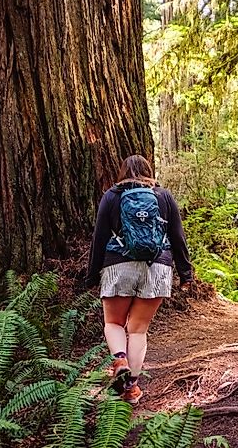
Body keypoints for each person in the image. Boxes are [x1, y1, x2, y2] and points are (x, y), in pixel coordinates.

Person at [84, 154, 193, 404]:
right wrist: (185, 274)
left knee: (113, 323)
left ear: (122, 172)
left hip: (119, 264)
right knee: (138, 329)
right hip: (158, 267)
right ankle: (131, 388)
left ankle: (119, 359)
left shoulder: (112, 195)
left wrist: (91, 276)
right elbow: (177, 236)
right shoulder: (162, 195)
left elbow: (99, 238)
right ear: (148, 170)